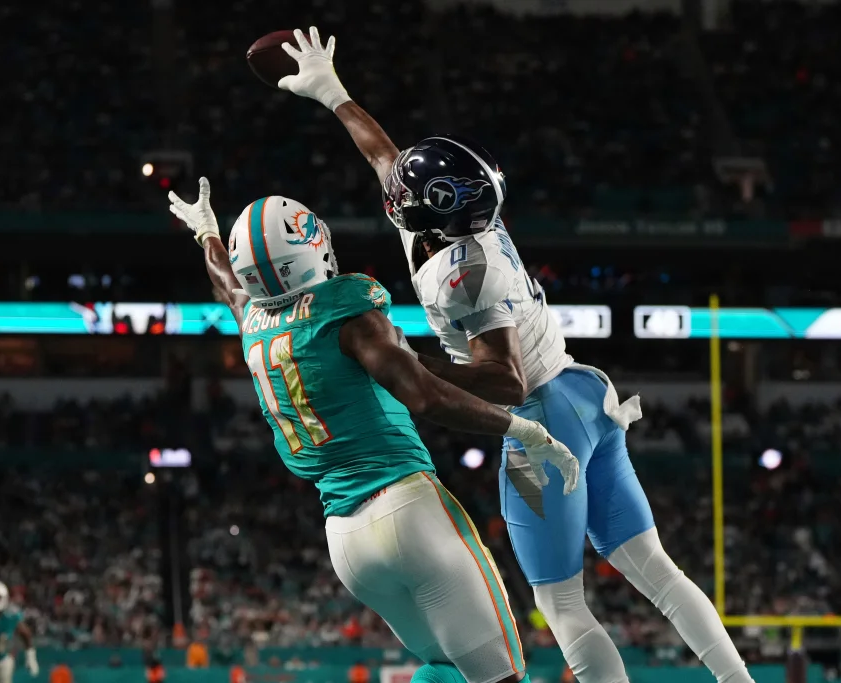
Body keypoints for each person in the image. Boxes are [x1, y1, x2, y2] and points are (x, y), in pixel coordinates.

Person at [274, 27, 756, 683]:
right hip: (588, 396)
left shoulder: (458, 270)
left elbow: (505, 379)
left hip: (541, 423)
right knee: (657, 569)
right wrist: (333, 92)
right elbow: (383, 155)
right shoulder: (454, 217)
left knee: (559, 602)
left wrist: (401, 363)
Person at [167, 180, 580, 683]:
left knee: (446, 671)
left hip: (345, 538)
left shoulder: (251, 317)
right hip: (407, 510)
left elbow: (226, 282)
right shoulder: (348, 312)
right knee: (504, 677)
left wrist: (207, 233)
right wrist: (525, 429)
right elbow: (424, 395)